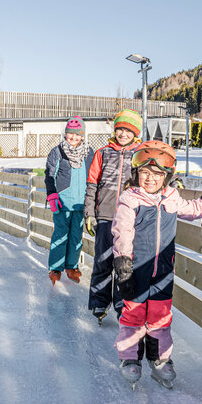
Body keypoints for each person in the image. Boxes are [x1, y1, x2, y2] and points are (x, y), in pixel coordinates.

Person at [111, 141, 202, 388]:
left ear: (166, 177)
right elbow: (122, 232)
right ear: (136, 174)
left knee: (160, 316)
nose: (150, 179)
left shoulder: (171, 197)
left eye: (157, 174)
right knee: (134, 314)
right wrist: (123, 264)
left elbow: (191, 210)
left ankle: (159, 359)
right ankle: (130, 358)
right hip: (135, 269)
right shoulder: (130, 199)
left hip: (164, 271)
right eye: (145, 173)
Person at [83, 109, 143, 324]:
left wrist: (173, 182)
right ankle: (99, 302)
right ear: (115, 130)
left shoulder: (141, 153)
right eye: (120, 129)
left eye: (128, 130)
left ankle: (122, 305)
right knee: (102, 260)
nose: (123, 134)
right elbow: (91, 185)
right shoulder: (102, 153)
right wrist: (89, 213)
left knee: (123, 263)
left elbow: (154, 176)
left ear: (135, 133)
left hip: (130, 218)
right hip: (106, 215)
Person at [44, 116, 95, 285]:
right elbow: (50, 175)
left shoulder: (89, 153)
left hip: (81, 203)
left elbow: (94, 176)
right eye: (70, 134)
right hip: (63, 202)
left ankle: (71, 266)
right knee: (60, 234)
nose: (73, 138)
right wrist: (51, 194)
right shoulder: (57, 151)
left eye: (77, 135)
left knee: (76, 236)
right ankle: (56, 268)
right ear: (65, 134)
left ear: (83, 136)